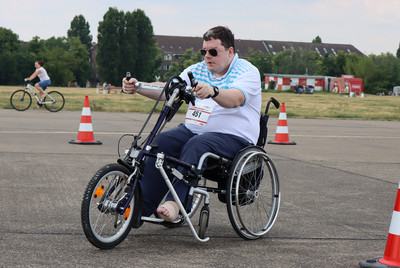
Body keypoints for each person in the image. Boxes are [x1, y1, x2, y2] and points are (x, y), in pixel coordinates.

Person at [122, 26, 261, 222]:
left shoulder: (247, 72)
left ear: (230, 52)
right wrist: (138, 86)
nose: (207, 56)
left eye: (213, 52)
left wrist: (214, 91)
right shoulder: (198, 69)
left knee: (197, 144)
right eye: (204, 51)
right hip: (194, 131)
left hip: (234, 138)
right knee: (161, 143)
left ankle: (175, 203)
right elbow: (169, 89)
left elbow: (236, 99)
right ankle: (139, 207)